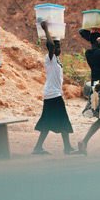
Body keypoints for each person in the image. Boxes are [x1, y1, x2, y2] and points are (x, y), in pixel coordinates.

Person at [32, 22, 76, 155]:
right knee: (63, 120)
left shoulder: (56, 59)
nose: (59, 49)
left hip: (53, 94)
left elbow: (52, 46)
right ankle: (67, 147)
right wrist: (46, 30)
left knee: (47, 121)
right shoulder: (49, 58)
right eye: (58, 47)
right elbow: (50, 45)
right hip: (53, 94)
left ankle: (38, 148)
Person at [73, 27, 100, 155]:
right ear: (99, 41)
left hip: (95, 85)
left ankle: (86, 142)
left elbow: (82, 32)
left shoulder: (89, 53)